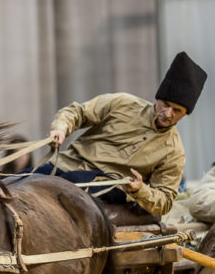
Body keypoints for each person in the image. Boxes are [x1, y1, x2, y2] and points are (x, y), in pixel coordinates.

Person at [44, 51, 207, 216]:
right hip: (65, 164)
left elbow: (164, 201)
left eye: (177, 110)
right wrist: (61, 127)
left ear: (185, 113)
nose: (168, 113)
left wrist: (140, 190)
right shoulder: (123, 103)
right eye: (165, 104)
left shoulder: (174, 152)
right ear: (158, 98)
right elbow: (79, 112)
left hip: (109, 184)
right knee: (22, 181)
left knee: (66, 186)